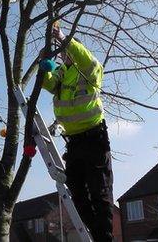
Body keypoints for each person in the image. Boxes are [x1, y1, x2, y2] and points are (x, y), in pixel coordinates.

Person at [41, 26, 113, 241]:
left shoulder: (89, 69)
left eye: (67, 51)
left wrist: (63, 38)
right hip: (74, 142)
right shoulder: (62, 74)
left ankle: (104, 238)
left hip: (94, 138)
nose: (64, 55)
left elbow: (87, 60)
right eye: (63, 53)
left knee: (99, 193)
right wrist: (43, 63)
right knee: (77, 194)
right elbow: (47, 83)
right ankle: (94, 233)